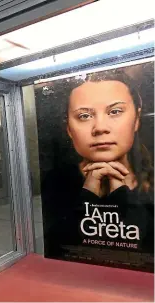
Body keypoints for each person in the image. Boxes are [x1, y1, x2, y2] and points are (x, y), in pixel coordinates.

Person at [40, 68, 154, 272]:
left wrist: (119, 191)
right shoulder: (55, 182)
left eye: (115, 111)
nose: (100, 127)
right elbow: (59, 245)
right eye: (84, 115)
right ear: (68, 129)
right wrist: (89, 191)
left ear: (136, 119)